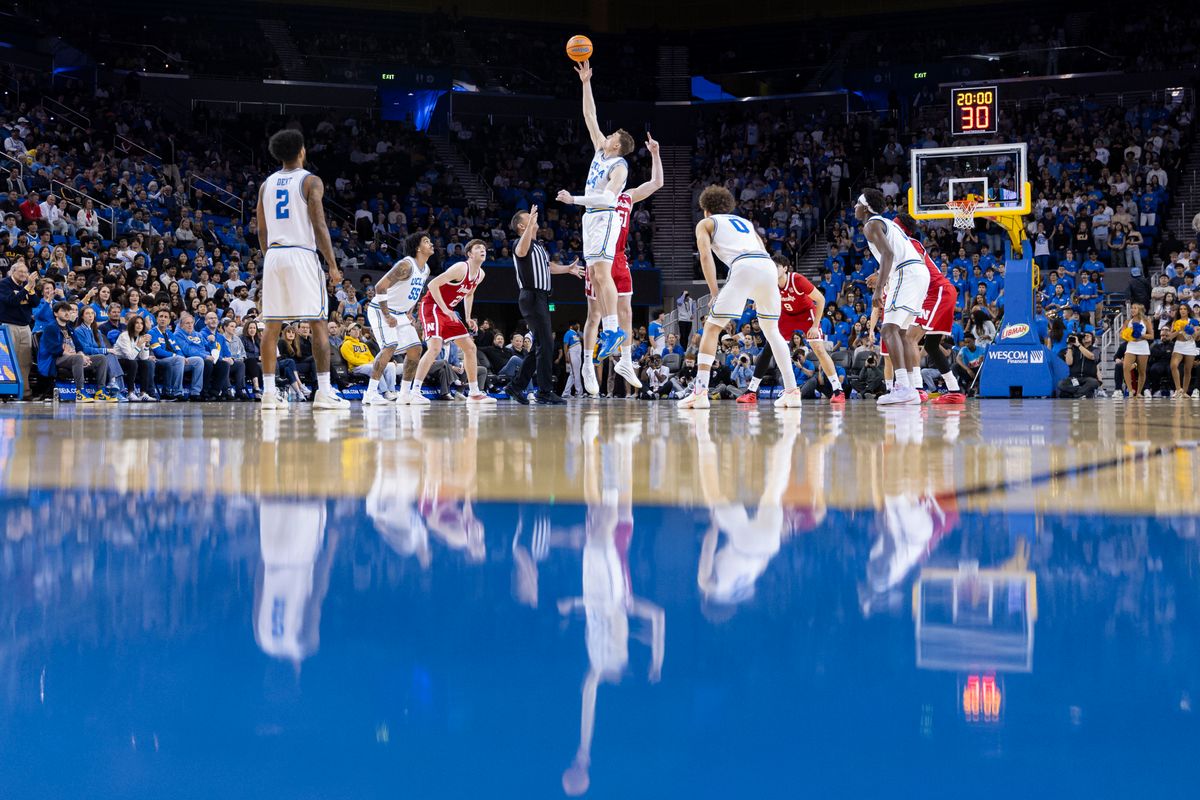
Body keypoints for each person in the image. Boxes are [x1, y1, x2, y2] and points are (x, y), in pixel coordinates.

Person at [559, 132, 663, 397]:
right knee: (594, 315)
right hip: (598, 256)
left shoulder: (626, 197)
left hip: (620, 259)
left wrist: (654, 153)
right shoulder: (600, 195)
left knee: (626, 311)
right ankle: (588, 367)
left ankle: (626, 361)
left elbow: (656, 183)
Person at [677, 186, 800, 409]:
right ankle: (792, 391)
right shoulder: (745, 222)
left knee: (712, 327)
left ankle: (700, 392)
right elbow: (762, 247)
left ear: (706, 210)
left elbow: (705, 257)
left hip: (743, 265)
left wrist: (715, 292)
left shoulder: (706, 223)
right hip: (767, 265)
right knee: (772, 330)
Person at [255, 128, 349, 410]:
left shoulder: (266, 184)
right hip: (301, 253)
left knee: (271, 327)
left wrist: (270, 258)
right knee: (319, 323)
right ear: (301, 151)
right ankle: (324, 392)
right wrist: (332, 264)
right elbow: (319, 225)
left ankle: (269, 394)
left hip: (273, 255)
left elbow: (261, 229)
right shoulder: (310, 181)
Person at [573, 58, 635, 362]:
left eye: (612, 137)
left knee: (601, 272)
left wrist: (574, 199)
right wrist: (586, 83)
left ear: (617, 145)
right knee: (596, 276)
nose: (607, 135)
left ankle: (611, 329)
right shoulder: (600, 150)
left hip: (604, 218)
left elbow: (608, 200)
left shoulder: (620, 167)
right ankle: (611, 330)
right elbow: (589, 114)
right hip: (591, 220)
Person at [738, 254, 843, 404]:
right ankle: (752, 390)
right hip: (787, 315)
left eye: (777, 267)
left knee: (818, 348)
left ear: (785, 269)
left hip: (807, 313)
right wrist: (758, 301)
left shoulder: (797, 280)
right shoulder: (770, 282)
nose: (773, 270)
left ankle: (838, 390)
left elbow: (820, 299)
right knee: (770, 346)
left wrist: (814, 326)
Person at [858, 188, 929, 405]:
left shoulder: (871, 225)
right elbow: (895, 254)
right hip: (918, 272)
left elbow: (889, 255)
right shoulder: (889, 224)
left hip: (906, 273)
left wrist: (879, 289)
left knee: (888, 329)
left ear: (866, 207)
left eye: (858, 203)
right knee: (903, 333)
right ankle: (911, 389)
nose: (855, 207)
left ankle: (902, 387)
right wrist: (881, 274)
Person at [509, 204, 585, 405]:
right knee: (546, 344)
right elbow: (522, 249)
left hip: (541, 297)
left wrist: (567, 269)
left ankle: (515, 386)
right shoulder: (520, 244)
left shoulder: (539, 246)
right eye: (529, 218)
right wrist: (529, 226)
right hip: (531, 296)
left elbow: (548, 267)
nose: (535, 220)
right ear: (521, 226)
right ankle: (544, 391)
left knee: (540, 346)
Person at [408, 239, 496, 405]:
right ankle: (415, 392)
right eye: (478, 248)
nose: (482, 250)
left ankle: (475, 393)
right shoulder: (461, 268)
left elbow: (469, 294)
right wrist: (447, 309)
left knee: (470, 347)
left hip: (448, 311)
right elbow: (432, 285)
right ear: (470, 254)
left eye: (484, 248)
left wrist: (468, 317)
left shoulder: (480, 274)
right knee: (435, 348)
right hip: (432, 306)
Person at [896, 214, 965, 404]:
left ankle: (917, 389)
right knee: (931, 346)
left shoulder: (908, 242)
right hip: (940, 293)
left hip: (938, 292)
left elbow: (917, 268)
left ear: (900, 228)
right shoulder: (900, 247)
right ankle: (954, 390)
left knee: (911, 337)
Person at [363, 230, 431, 406]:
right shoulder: (406, 265)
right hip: (381, 309)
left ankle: (405, 394)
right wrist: (386, 315)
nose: (431, 244)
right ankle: (370, 393)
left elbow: (413, 292)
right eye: (426, 241)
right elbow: (379, 287)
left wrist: (410, 311)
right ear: (417, 248)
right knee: (389, 346)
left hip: (400, 313)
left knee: (416, 349)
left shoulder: (426, 269)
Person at [37, 301, 114, 403]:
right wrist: (77, 356)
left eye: (69, 311)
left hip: (72, 357)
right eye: (63, 311)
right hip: (54, 359)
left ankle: (100, 392)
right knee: (77, 358)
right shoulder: (51, 328)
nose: (67, 313)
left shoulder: (69, 328)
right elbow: (53, 349)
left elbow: (78, 347)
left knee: (101, 358)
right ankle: (80, 393)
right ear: (55, 313)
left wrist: (83, 356)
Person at [0, 257, 37, 397]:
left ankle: (24, 391)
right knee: (8, 360)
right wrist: (27, 287)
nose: (23, 274)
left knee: (25, 360)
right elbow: (12, 301)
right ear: (12, 272)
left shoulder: (26, 285)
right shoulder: (4, 284)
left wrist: (31, 289)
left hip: (25, 326)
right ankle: (6, 392)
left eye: (26, 272)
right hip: (8, 326)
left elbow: (35, 303)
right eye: (20, 271)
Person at [343, 321, 398, 396]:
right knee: (374, 367)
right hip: (355, 368)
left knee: (390, 365)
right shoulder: (346, 344)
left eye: (358, 329)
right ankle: (384, 392)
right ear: (349, 332)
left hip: (367, 365)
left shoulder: (363, 345)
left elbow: (371, 357)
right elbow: (351, 359)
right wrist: (368, 363)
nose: (357, 331)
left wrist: (373, 362)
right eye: (354, 329)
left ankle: (392, 390)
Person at [112, 315, 157, 401]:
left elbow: (144, 357)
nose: (139, 325)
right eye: (137, 323)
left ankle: (143, 393)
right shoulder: (124, 336)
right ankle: (130, 393)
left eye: (141, 323)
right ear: (132, 324)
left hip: (131, 361)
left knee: (146, 363)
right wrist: (139, 344)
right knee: (133, 363)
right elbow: (130, 356)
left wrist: (147, 345)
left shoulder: (141, 336)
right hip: (117, 361)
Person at [148, 309, 187, 400]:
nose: (163, 319)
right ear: (156, 319)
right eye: (161, 316)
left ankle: (196, 392)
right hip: (158, 359)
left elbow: (177, 348)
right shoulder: (152, 332)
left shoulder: (170, 334)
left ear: (169, 320)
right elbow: (158, 351)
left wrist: (182, 356)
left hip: (175, 359)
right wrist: (176, 356)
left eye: (166, 317)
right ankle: (177, 392)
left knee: (198, 361)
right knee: (179, 359)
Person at [1121, 303, 1154, 397]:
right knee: (1126, 367)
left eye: (1135, 308)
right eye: (1132, 308)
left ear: (1140, 310)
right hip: (1131, 345)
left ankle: (1139, 392)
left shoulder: (1146, 321)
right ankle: (1131, 391)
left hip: (1142, 346)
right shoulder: (1128, 321)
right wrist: (1128, 336)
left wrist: (1141, 335)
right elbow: (1121, 334)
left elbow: (1151, 336)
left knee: (1142, 371)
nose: (1132, 310)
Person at [1166, 304, 1199, 398]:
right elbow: (1170, 337)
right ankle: (1178, 389)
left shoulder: (1193, 321)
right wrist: (1178, 330)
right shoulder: (1175, 322)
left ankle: (1184, 392)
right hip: (1179, 345)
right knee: (1173, 365)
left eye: (1185, 309)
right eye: (1180, 309)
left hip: (1190, 345)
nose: (1182, 310)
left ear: (1188, 311)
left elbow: (1196, 337)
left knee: (1187, 370)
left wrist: (1190, 331)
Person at [1057, 331, 1101, 399]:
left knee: (1094, 382)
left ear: (1092, 339)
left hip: (1088, 378)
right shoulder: (1074, 349)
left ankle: (1075, 395)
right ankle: (1083, 393)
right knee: (1060, 384)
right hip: (1074, 378)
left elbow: (1092, 356)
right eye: (1084, 336)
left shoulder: (1096, 349)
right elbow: (1069, 363)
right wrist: (1069, 347)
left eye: (1088, 336)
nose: (1086, 337)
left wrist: (1079, 345)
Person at [563, 322, 584, 398]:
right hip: (573, 352)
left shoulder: (577, 333)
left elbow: (583, 339)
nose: (578, 326)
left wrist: (579, 332)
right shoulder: (568, 333)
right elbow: (565, 345)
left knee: (573, 374)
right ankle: (579, 392)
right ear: (571, 326)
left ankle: (566, 393)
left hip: (578, 354)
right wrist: (566, 356)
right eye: (576, 325)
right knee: (576, 373)